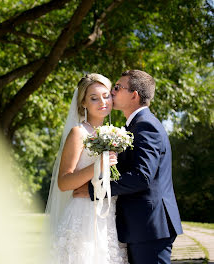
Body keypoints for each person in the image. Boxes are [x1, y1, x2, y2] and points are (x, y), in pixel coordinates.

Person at [74, 70, 183, 264]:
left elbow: (141, 177)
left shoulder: (145, 126)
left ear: (134, 95)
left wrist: (94, 190)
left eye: (117, 87)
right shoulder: (134, 126)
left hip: (150, 227)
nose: (112, 92)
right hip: (141, 227)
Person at [45, 73, 128, 264]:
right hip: (84, 215)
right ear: (83, 102)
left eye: (106, 96)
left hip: (110, 214)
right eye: (94, 98)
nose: (102, 102)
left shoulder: (118, 133)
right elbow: (64, 182)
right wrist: (96, 166)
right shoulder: (78, 133)